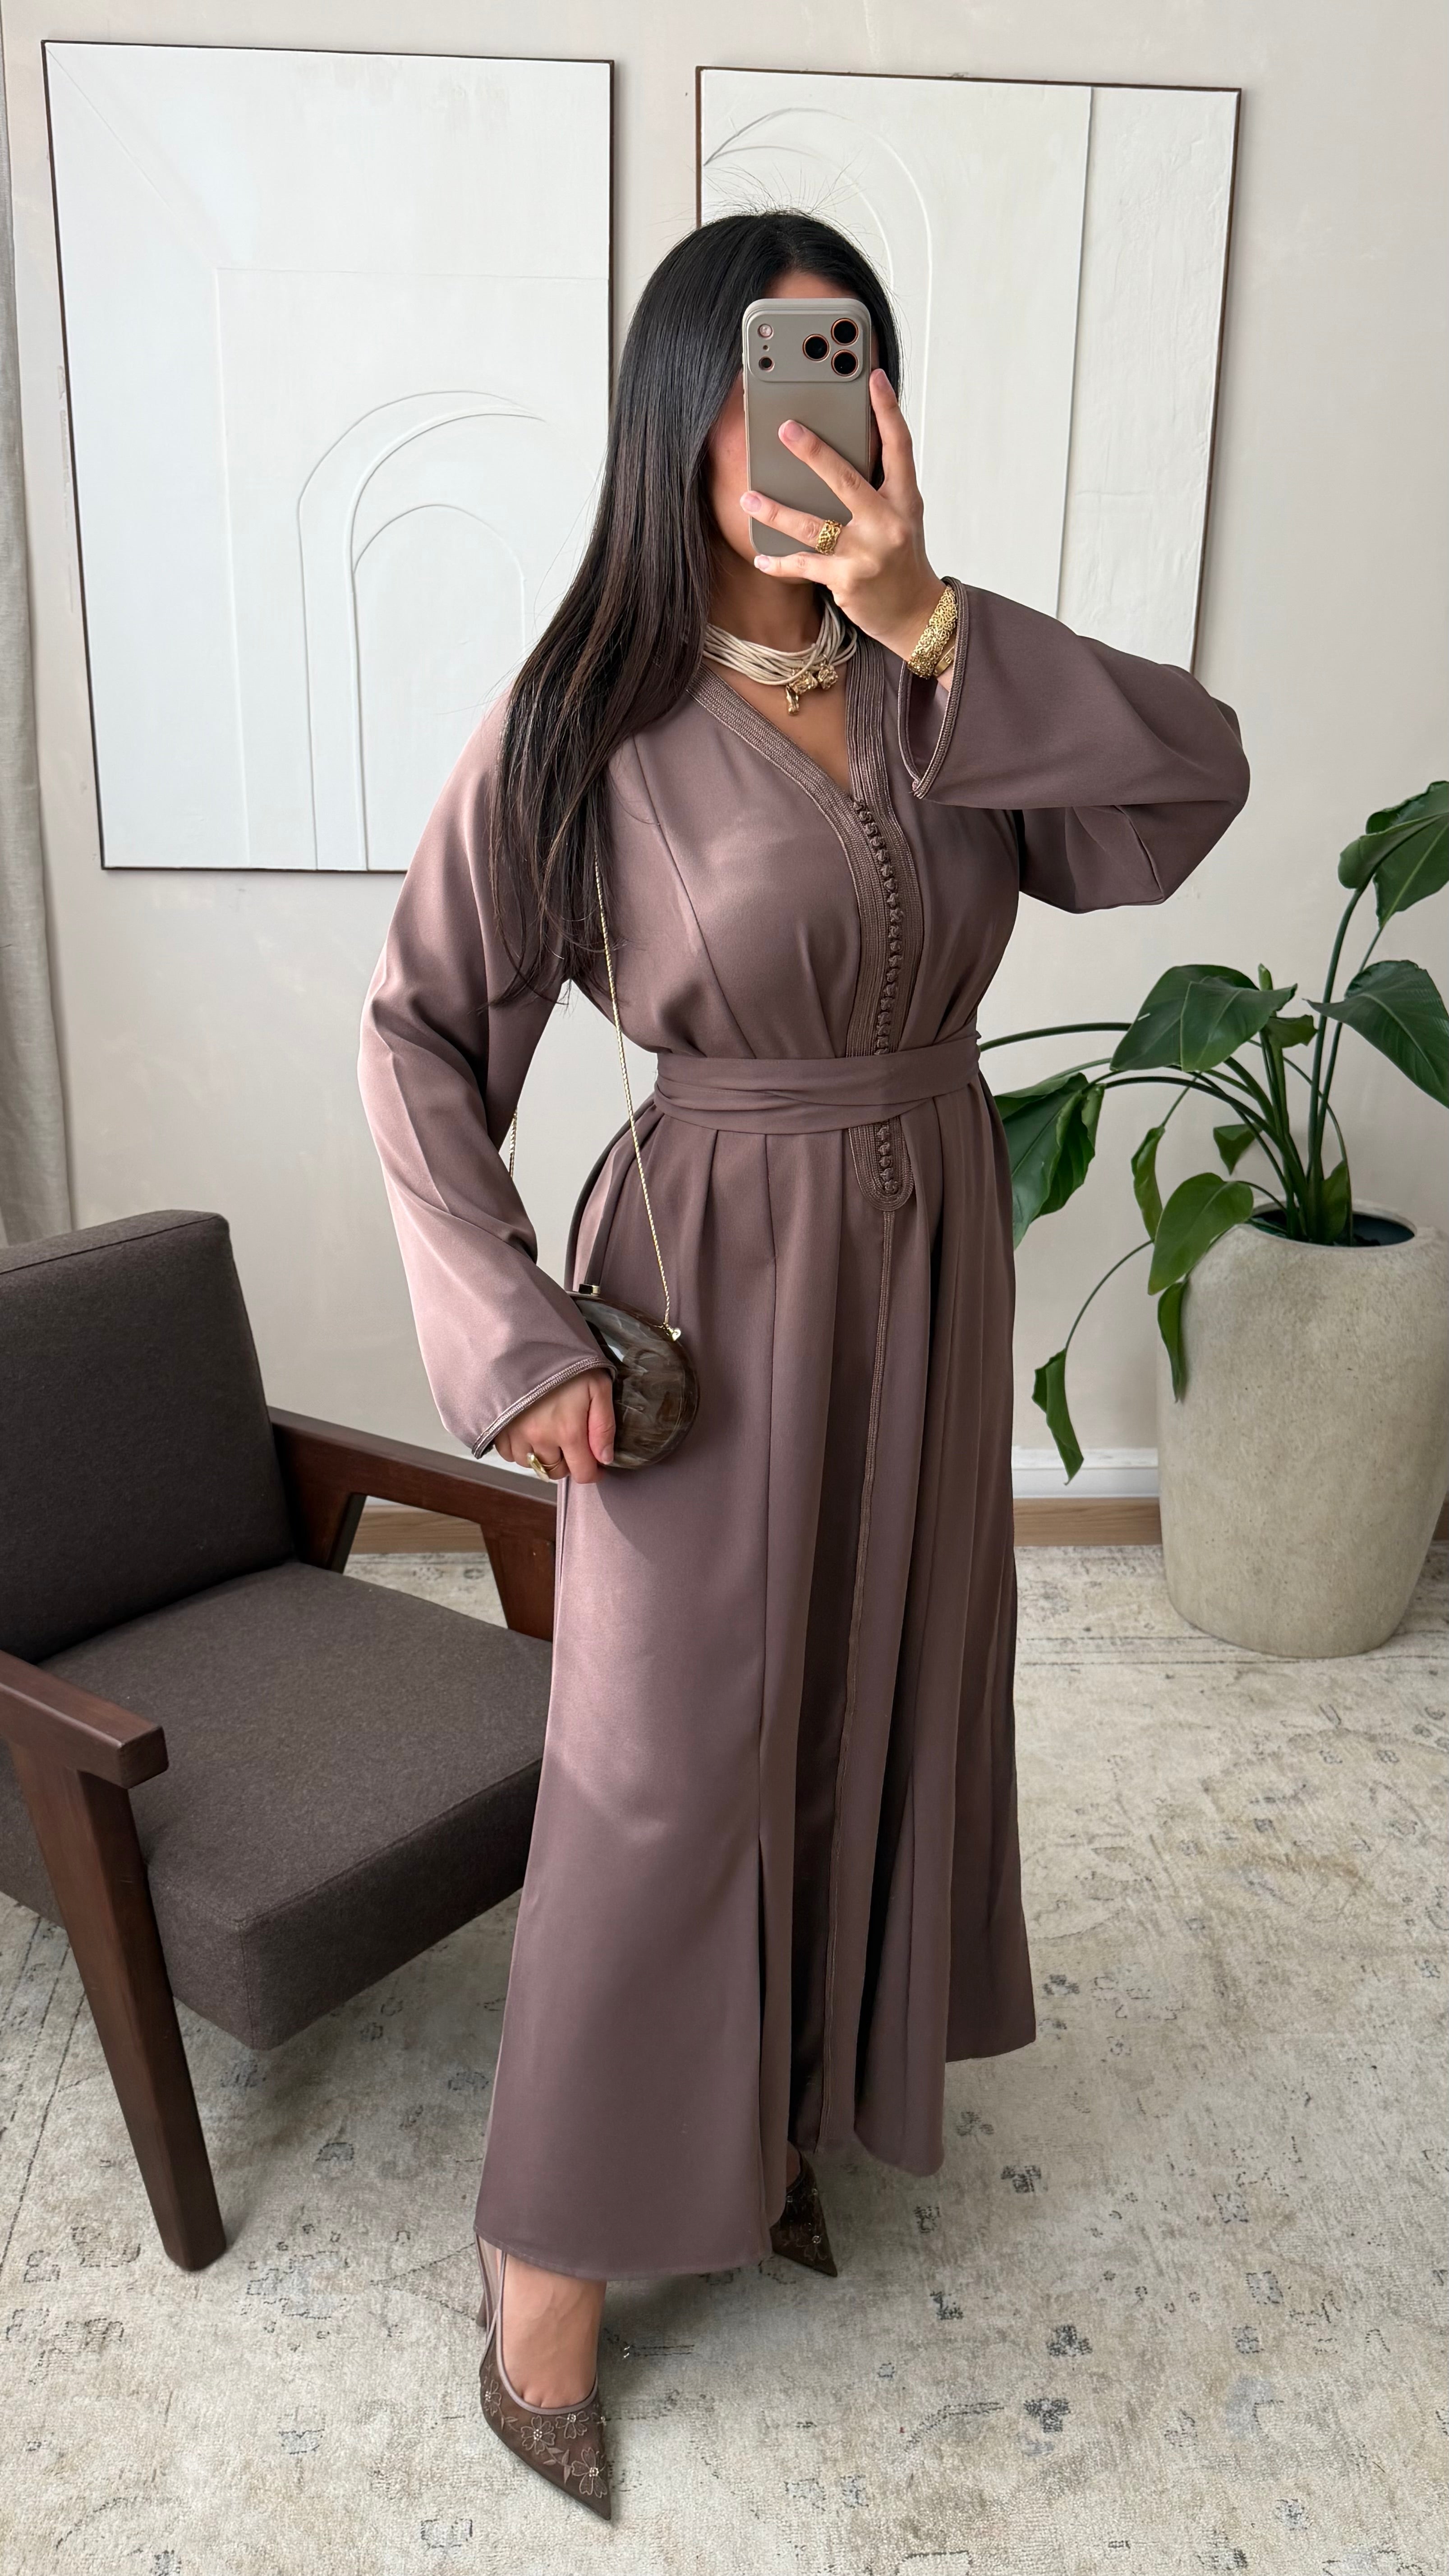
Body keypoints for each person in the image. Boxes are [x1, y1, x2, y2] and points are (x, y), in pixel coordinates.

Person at [358, 210, 1249, 2521]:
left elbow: (1190, 789)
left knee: (876, 1693)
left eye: (837, 376)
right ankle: (541, 2266)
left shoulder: (950, 685)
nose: (799, 434)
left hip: (930, 1250)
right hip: (713, 1284)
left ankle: (774, 2129)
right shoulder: (580, 723)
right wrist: (512, 1335)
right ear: (687, 416)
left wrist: (931, 615)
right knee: (660, 1774)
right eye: (760, 386)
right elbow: (423, 1031)